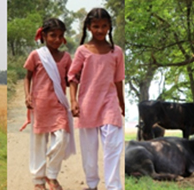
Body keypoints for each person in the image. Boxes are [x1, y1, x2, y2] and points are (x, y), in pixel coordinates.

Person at [68, 8, 125, 190]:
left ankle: (113, 186)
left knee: (113, 147)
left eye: (104, 26)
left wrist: (121, 104)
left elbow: (118, 80)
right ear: (89, 28)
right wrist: (74, 101)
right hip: (88, 105)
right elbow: (73, 76)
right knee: (89, 151)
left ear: (109, 27)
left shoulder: (116, 52)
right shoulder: (82, 51)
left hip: (110, 104)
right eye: (96, 26)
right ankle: (92, 185)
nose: (100, 30)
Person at [21, 18, 74, 190]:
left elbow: (70, 79)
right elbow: (27, 77)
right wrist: (27, 95)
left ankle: (51, 174)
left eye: (60, 36)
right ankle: (38, 181)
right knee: (38, 143)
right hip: (40, 104)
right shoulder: (36, 55)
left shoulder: (66, 58)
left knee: (62, 139)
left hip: (59, 105)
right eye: (53, 36)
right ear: (43, 35)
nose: (57, 40)